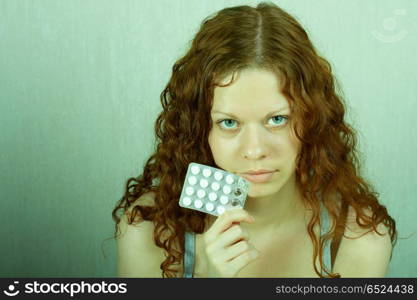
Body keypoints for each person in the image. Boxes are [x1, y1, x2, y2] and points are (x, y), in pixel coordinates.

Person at [111, 2, 397, 278]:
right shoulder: (149, 231)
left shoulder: (358, 238)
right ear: (199, 128)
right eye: (229, 123)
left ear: (312, 119)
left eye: (277, 119)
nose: (255, 150)